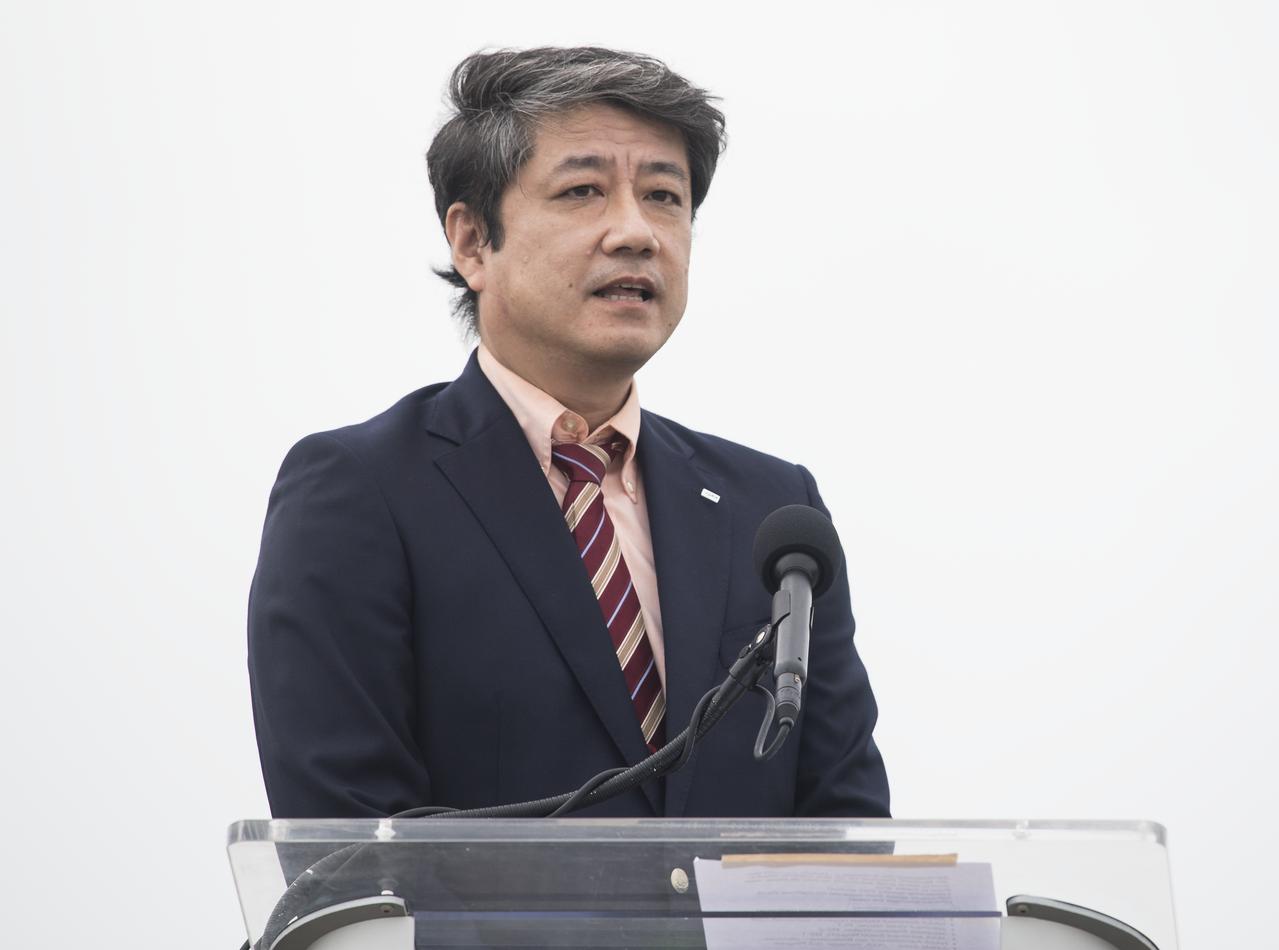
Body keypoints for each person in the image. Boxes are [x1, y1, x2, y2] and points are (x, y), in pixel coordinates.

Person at [248, 46, 890, 820]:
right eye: (582, 191)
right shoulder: (362, 490)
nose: (635, 232)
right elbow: (348, 838)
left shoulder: (773, 512)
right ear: (471, 242)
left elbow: (843, 826)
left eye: (663, 196)